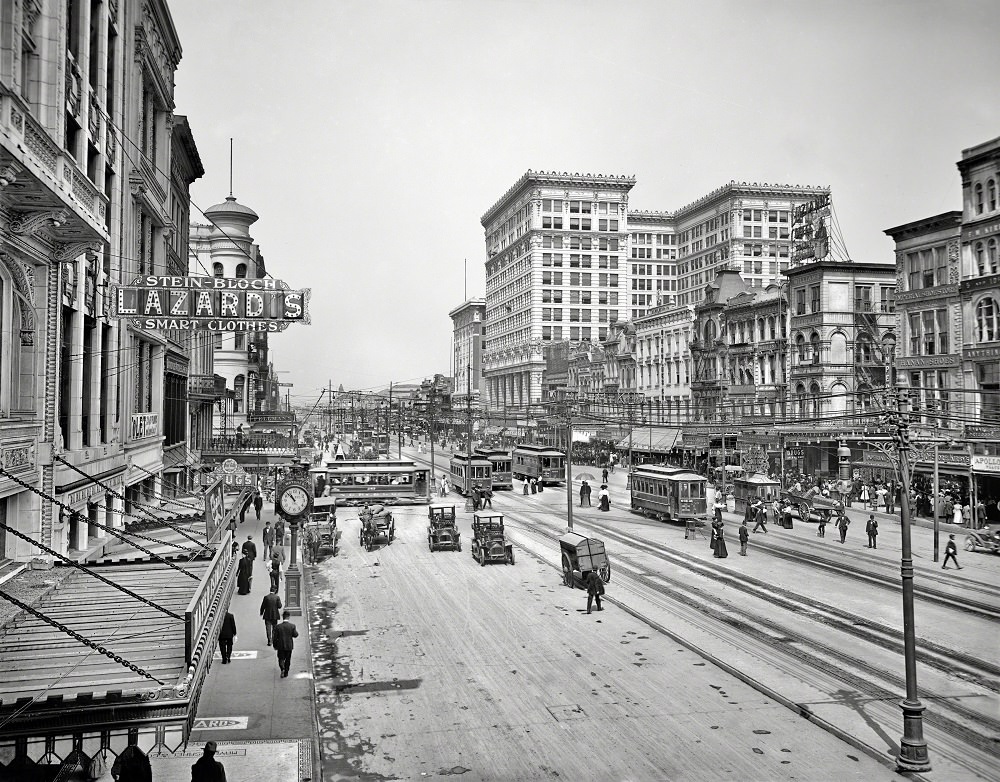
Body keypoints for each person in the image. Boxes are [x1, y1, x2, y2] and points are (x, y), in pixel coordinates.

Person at [273, 609, 299, 677]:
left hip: (280, 646)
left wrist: (275, 645)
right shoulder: (292, 626)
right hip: (289, 646)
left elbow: (275, 638)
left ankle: (282, 669)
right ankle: (286, 672)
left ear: (283, 617)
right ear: (288, 617)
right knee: (288, 659)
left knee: (281, 658)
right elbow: (295, 635)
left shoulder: (278, 627)